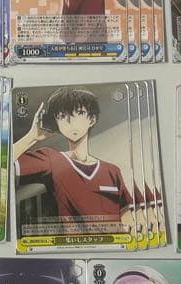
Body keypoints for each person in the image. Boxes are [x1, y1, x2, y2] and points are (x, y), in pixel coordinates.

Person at [13, 87, 133, 230]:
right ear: (56, 122)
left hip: (114, 242)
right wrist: (31, 137)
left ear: (92, 119)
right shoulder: (50, 159)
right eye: (62, 116)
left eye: (80, 113)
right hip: (72, 241)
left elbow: (126, 216)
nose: (71, 122)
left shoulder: (112, 171)